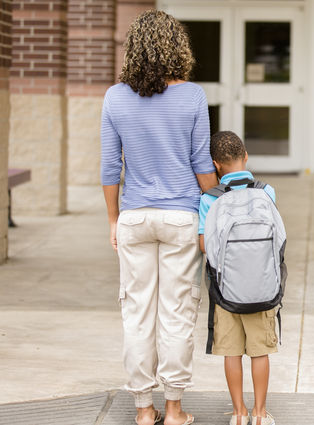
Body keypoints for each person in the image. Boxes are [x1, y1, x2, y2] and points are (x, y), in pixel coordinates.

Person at [100, 10, 217, 425]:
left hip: (134, 217)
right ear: (176, 47)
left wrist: (115, 219)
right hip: (181, 218)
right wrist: (220, 198)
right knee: (177, 312)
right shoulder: (193, 96)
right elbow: (202, 166)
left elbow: (109, 168)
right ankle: (174, 409)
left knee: (136, 313)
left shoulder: (115, 97)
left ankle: (143, 410)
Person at [198, 131, 278, 425]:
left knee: (231, 353)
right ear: (246, 157)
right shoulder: (266, 192)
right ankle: (259, 413)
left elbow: (205, 246)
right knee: (260, 351)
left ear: (216, 165)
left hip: (226, 291)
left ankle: (238, 413)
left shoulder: (209, 198)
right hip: (262, 287)